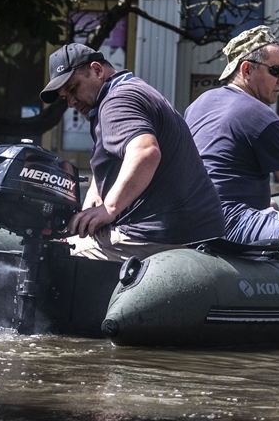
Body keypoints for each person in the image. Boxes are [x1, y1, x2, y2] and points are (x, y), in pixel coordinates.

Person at [39, 43, 225, 261]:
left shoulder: (116, 102)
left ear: (97, 70)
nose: (71, 102)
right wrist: (97, 192)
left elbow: (145, 152)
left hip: (162, 235)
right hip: (195, 229)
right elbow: (116, 156)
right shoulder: (131, 89)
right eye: (65, 97)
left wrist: (109, 208)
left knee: (52, 255)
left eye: (73, 89)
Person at [184, 25, 279, 244]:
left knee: (271, 205)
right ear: (246, 70)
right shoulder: (261, 116)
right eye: (276, 71)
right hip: (227, 220)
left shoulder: (199, 103)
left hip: (188, 217)